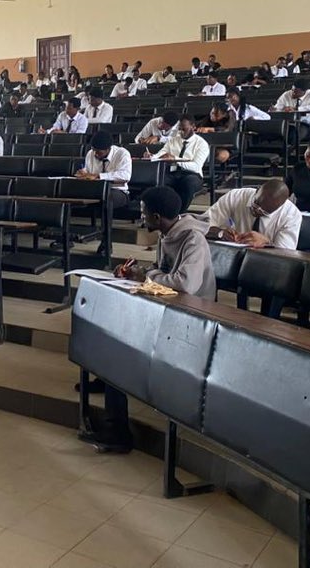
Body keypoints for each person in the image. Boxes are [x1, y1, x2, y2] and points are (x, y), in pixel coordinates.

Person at [85, 186, 217, 453]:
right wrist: (139, 271)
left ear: (157, 217)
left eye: (144, 213)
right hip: (165, 308)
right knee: (110, 345)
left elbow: (185, 284)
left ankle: (118, 432)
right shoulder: (166, 233)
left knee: (118, 355)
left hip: (190, 318)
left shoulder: (192, 239)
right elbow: (162, 271)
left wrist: (145, 277)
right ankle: (114, 426)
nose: (141, 217)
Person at [205, 180, 302, 252]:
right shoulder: (236, 196)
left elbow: (286, 254)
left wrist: (267, 243)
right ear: (258, 190)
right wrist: (220, 233)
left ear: (281, 206)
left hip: (267, 262)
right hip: (231, 253)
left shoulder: (292, 215)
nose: (257, 211)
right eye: (255, 204)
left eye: (265, 212)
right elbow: (201, 224)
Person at [151, 116, 209, 212]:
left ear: (193, 127)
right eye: (179, 129)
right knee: (157, 180)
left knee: (188, 183)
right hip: (173, 173)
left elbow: (196, 166)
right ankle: (160, 211)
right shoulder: (173, 140)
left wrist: (175, 159)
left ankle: (179, 212)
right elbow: (162, 153)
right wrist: (152, 156)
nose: (181, 131)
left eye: (184, 128)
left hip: (193, 174)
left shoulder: (201, 144)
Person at [77, 131, 132, 214]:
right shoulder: (90, 153)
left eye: (99, 152)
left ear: (108, 149)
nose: (95, 154)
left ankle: (106, 226)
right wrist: (83, 173)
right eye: (93, 150)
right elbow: (88, 171)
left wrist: (99, 176)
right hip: (95, 189)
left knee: (106, 197)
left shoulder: (122, 153)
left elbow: (125, 176)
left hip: (117, 191)